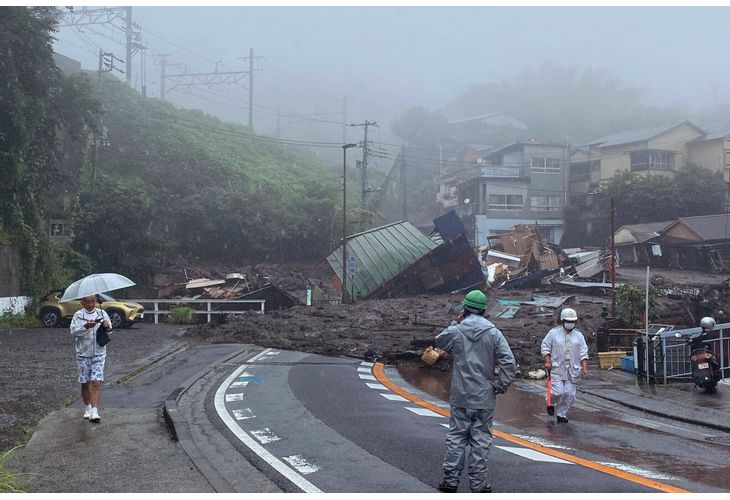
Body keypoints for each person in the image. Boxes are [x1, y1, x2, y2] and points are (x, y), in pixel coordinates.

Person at [435, 290, 516, 493]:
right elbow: (509, 362)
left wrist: (455, 323)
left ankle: (450, 481)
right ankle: (478, 485)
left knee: (456, 437)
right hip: (484, 395)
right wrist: (500, 385)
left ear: (465, 308)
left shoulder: (457, 330)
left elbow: (439, 341)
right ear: (484, 310)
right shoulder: (493, 333)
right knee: (481, 440)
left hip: (461, 394)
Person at [541, 307, 589, 424]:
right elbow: (545, 346)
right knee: (557, 392)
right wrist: (547, 361)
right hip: (557, 368)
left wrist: (585, 369)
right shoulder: (553, 333)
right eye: (568, 321)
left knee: (569, 394)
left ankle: (561, 414)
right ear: (562, 321)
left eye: (572, 321)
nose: (570, 323)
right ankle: (551, 403)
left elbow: (583, 352)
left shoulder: (579, 336)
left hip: (572, 371)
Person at [70, 295, 112, 423]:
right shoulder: (78, 315)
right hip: (83, 353)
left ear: (96, 301)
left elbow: (110, 330)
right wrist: (85, 327)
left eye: (93, 301)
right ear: (82, 302)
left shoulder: (102, 313)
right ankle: (87, 408)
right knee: (85, 382)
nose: (90, 304)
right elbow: (73, 332)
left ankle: (95, 411)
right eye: (87, 302)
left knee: (96, 381)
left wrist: (107, 326)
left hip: (99, 352)